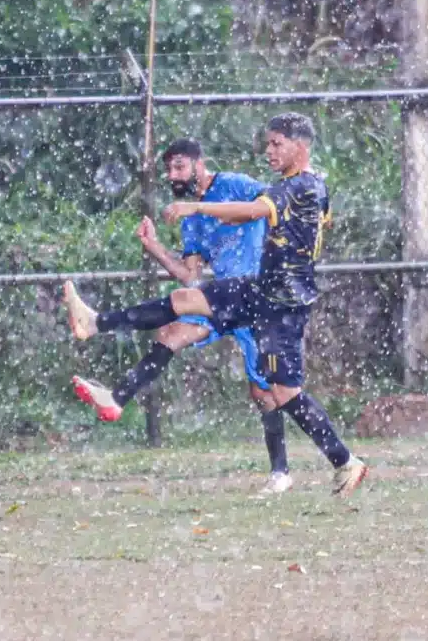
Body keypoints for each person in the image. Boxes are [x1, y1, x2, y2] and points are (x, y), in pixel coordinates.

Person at [65, 114, 368, 498]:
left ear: (300, 146)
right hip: (260, 290)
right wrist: (158, 245)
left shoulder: (297, 186)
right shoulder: (300, 186)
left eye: (276, 143)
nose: (268, 150)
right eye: (268, 143)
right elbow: (191, 273)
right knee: (183, 303)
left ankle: (341, 462)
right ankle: (94, 325)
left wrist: (197, 208)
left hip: (282, 305)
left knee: (281, 393)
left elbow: (255, 210)